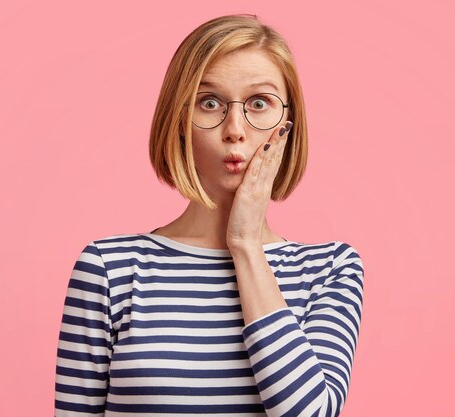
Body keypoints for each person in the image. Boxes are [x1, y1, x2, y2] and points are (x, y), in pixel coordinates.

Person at [54, 13, 364, 417]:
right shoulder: (110, 270)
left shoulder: (330, 269)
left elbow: (310, 414)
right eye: (210, 102)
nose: (234, 128)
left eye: (259, 103)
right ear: (179, 120)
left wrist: (246, 246)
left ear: (288, 125)